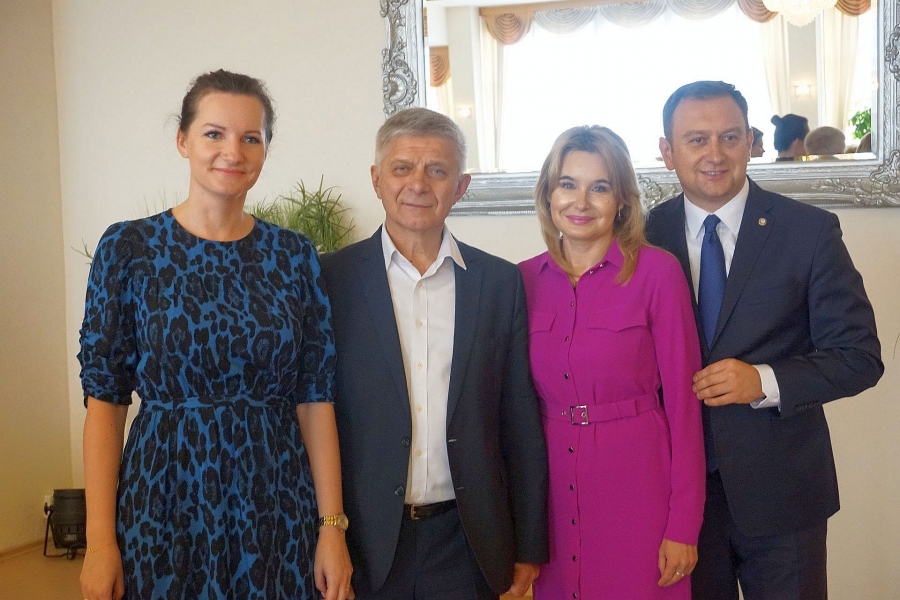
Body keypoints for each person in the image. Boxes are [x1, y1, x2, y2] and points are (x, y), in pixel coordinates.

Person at [78, 70, 352, 600]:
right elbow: (105, 405)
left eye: (251, 138)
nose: (233, 151)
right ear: (182, 140)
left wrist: (331, 528)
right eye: (214, 134)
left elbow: (315, 399)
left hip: (275, 500)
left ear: (265, 150)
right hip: (162, 498)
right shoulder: (128, 249)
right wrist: (99, 543)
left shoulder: (293, 256)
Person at [648, 80, 884, 600]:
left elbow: (860, 357)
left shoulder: (809, 231)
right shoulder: (642, 237)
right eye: (696, 139)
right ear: (667, 151)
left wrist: (764, 381)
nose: (715, 154)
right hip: (677, 502)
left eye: (730, 137)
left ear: (751, 142)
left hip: (784, 499)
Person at [320, 107, 549, 600]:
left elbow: (519, 420)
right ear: (377, 179)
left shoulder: (499, 282)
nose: (418, 184)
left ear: (461, 186)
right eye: (402, 168)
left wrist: (529, 544)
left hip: (468, 542)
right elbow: (314, 413)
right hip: (363, 542)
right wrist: (325, 530)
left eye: (437, 170)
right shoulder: (329, 280)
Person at [518, 126, 705, 600]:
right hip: (551, 494)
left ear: (621, 200)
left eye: (599, 187)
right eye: (568, 184)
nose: (581, 202)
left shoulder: (658, 273)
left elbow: (685, 406)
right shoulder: (521, 281)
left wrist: (684, 523)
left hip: (638, 485)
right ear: (548, 193)